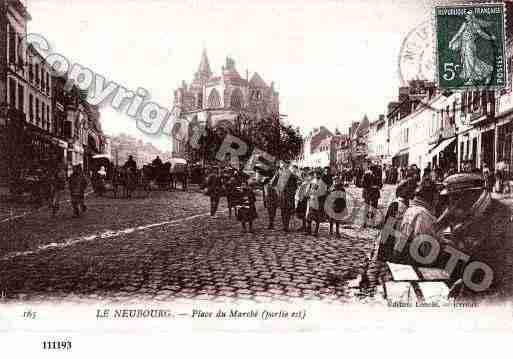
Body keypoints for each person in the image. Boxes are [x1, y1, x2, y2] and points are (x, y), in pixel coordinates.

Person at [396, 177, 438, 264]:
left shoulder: (412, 209)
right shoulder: (422, 214)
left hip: (405, 256)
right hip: (416, 261)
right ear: (432, 197)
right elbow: (425, 249)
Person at [374, 178, 416, 261]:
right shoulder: (396, 204)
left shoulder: (408, 205)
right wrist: (383, 252)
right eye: (409, 191)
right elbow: (387, 229)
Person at [272, 162, 298, 232]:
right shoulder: (279, 174)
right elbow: (273, 184)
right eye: (282, 164)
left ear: (288, 165)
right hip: (282, 195)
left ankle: (286, 226)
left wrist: (291, 193)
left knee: (288, 211)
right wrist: (278, 191)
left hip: (289, 196)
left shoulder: (292, 175)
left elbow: (295, 186)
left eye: (285, 164)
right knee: (283, 211)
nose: (283, 166)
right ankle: (284, 225)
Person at [306, 170, 328, 236]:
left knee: (317, 217)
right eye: (316, 174)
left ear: (321, 175)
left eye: (319, 174)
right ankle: (308, 230)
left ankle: (316, 231)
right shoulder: (312, 181)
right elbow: (308, 189)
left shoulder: (322, 183)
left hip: (318, 201)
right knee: (309, 216)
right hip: (312, 200)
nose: (317, 175)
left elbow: (324, 192)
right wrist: (308, 194)